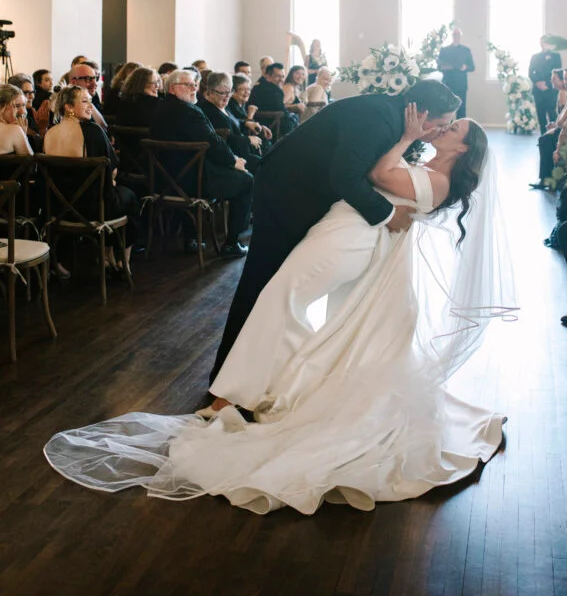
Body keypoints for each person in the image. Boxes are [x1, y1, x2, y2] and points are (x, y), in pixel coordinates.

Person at [44, 102, 516, 513]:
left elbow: (376, 176)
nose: (442, 130)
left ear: (462, 150)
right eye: (445, 123)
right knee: (284, 300)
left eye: (452, 130)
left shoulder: (437, 181)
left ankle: (239, 391)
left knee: (280, 297)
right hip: (343, 228)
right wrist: (410, 140)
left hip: (351, 237)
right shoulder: (430, 166)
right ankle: (269, 384)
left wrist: (409, 136)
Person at [209, 78, 461, 379]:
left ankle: (260, 372)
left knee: (276, 285)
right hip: (285, 192)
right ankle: (225, 378)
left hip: (307, 192)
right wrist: (388, 213)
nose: (444, 129)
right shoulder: (378, 119)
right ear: (421, 115)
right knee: (261, 281)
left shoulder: (396, 118)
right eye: (443, 122)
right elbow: (346, 177)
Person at [150, 70, 253, 257]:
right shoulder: (190, 111)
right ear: (172, 88)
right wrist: (233, 161)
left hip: (163, 182)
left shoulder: (159, 109)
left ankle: (192, 237)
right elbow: (212, 142)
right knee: (247, 180)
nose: (194, 89)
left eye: (195, 85)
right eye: (188, 85)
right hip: (193, 183)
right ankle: (231, 244)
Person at [43, 86, 139, 273]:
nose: (91, 106)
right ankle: (123, 261)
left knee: (115, 194)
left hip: (60, 209)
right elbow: (112, 169)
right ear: (69, 107)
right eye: (85, 101)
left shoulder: (49, 133)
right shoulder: (92, 131)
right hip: (93, 209)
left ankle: (107, 256)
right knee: (131, 198)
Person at [198, 71, 262, 172]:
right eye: (223, 93)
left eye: (229, 92)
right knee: (263, 166)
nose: (227, 96)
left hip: (240, 152)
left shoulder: (223, 106)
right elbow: (222, 139)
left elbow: (233, 122)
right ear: (210, 92)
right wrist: (248, 140)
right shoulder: (206, 110)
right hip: (227, 159)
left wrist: (246, 123)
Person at [249, 63, 298, 136]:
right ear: (268, 76)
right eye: (278, 76)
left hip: (259, 123)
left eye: (283, 76)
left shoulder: (257, 86)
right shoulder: (274, 90)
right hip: (271, 127)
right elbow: (281, 110)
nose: (281, 80)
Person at [437, 28, 475, 118]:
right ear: (452, 36)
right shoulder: (444, 50)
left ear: (460, 36)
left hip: (461, 84)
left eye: (458, 35)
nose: (456, 36)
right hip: (447, 83)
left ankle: (461, 129)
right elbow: (439, 67)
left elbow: (472, 67)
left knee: (462, 107)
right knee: (446, 108)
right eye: (454, 35)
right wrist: (449, 67)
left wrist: (466, 67)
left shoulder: (466, 50)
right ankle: (445, 128)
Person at [528, 37, 562, 132]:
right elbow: (531, 72)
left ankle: (553, 136)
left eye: (546, 42)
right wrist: (537, 83)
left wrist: (547, 83)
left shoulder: (556, 56)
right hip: (538, 90)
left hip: (551, 88)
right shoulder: (535, 56)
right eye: (542, 42)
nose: (544, 44)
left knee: (552, 113)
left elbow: (557, 71)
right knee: (540, 114)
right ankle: (543, 137)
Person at [228, 75, 272, 143]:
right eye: (243, 89)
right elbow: (242, 130)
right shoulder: (231, 105)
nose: (247, 92)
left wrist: (261, 127)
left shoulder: (241, 104)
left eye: (248, 89)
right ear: (233, 91)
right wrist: (250, 115)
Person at [68, 62, 108, 129]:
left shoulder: (93, 96)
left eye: (95, 78)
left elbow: (103, 126)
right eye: (88, 79)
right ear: (73, 82)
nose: (95, 83)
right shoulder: (68, 104)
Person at [0, 83, 32, 155]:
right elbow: (32, 163)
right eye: (17, 106)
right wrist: (22, 135)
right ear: (2, 107)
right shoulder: (15, 130)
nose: (23, 111)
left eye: (23, 105)